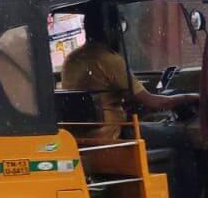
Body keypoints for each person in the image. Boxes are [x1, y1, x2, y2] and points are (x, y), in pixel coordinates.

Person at [61, 8, 197, 145]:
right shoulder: (108, 59)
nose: (120, 34)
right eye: (119, 27)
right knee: (181, 136)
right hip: (112, 134)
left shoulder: (72, 59)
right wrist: (192, 97)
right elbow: (155, 103)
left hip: (80, 137)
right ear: (110, 29)